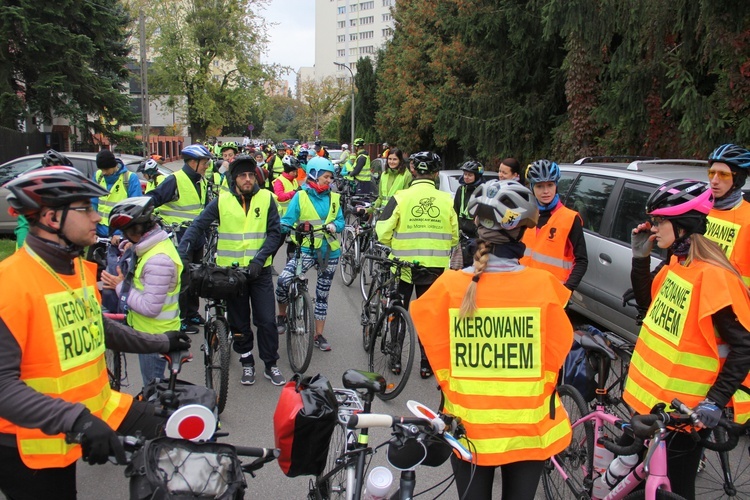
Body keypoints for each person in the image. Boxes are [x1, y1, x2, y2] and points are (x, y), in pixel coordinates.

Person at [0, 167, 190, 500]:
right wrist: (76, 419)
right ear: (51, 217)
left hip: (94, 409)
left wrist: (161, 342)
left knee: (183, 430)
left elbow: (100, 330)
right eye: (86, 208)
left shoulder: (75, 270)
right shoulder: (10, 285)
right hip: (30, 443)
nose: (95, 216)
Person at [411, 180, 573, 499]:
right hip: (529, 432)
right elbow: (556, 356)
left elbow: (436, 353)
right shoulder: (544, 287)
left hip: (468, 428)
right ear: (521, 231)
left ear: (477, 226)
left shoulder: (447, 288)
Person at [627, 178, 750, 499]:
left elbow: (744, 344)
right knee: (642, 482)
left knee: (677, 490)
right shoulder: (678, 264)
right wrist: (640, 258)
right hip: (654, 408)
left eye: (659, 221)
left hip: (686, 414)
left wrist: (716, 400)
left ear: (682, 225)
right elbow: (646, 305)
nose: (654, 227)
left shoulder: (714, 276)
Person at [178, 156, 285, 386]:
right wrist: (183, 250)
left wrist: (260, 259)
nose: (248, 179)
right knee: (239, 322)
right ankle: (247, 362)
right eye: (242, 175)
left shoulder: (266, 198)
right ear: (234, 179)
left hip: (259, 272)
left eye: (250, 175)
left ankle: (270, 364)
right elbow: (198, 225)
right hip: (232, 275)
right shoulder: (222, 201)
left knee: (266, 320)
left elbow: (275, 233)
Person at [376, 151, 458, 378]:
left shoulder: (401, 197)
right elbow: (454, 237)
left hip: (403, 267)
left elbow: (382, 232)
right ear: (435, 173)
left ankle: (395, 360)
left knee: (398, 310)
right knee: (429, 316)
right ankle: (425, 364)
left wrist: (396, 241)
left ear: (413, 170)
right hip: (434, 269)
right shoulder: (446, 200)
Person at [101, 197, 183, 386]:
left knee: (153, 393)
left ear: (135, 231)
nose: (125, 238)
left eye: (126, 233)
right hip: (149, 333)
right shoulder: (151, 247)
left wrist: (119, 286)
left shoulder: (158, 260)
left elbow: (150, 307)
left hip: (155, 337)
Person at [276, 156, 344, 352]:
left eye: (331, 178)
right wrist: (284, 228)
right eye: (326, 177)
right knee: (283, 281)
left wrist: (334, 225)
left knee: (322, 295)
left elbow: (340, 221)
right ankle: (281, 314)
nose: (329, 181)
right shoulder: (301, 196)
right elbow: (287, 220)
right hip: (306, 249)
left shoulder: (334, 198)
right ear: (314, 175)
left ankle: (318, 335)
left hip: (330, 252)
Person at [147, 144, 212, 335]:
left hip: (197, 236)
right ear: (193, 162)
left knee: (195, 276)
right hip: (179, 237)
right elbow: (153, 199)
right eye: (204, 162)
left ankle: (192, 312)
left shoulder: (201, 180)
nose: (207, 166)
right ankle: (180, 318)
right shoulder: (174, 180)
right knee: (181, 279)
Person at [521, 159, 588, 292]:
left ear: (556, 185)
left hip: (553, 293)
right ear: (532, 188)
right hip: (524, 291)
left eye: (550, 185)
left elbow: (581, 261)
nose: (546, 191)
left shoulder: (570, 218)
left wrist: (567, 290)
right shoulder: (525, 215)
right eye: (539, 186)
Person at [704, 144, 750, 286]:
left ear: (738, 180)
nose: (714, 181)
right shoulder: (699, 212)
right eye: (712, 173)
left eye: (723, 174)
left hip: (736, 304)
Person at [14, 149, 74, 249]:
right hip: (30, 250)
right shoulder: (33, 193)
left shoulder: (64, 194)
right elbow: (24, 226)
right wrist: (25, 249)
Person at [89, 149, 142, 262]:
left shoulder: (129, 179)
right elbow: (93, 204)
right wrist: (91, 230)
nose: (103, 172)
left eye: (106, 169)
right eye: (101, 169)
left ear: (114, 166)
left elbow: (133, 209)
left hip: (118, 234)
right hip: (99, 232)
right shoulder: (98, 176)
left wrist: (118, 233)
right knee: (92, 266)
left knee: (116, 269)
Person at [453, 160, 485, 268]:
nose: (466, 177)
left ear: (477, 176)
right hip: (463, 236)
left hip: (477, 236)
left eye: (470, 175)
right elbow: (455, 210)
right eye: (465, 174)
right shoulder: (460, 190)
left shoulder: (482, 191)